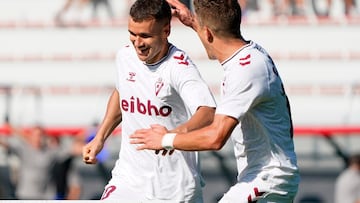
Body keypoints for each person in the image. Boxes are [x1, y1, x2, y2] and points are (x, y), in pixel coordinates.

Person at [130, 0, 300, 202]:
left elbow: (215, 137)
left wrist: (165, 140)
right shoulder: (252, 54)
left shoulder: (245, 70)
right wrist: (195, 22)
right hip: (265, 178)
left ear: (208, 33)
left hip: (268, 180)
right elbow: (217, 33)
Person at [81, 0, 216, 202]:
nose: (138, 43)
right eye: (132, 34)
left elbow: (207, 112)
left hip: (174, 188)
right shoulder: (125, 56)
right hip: (128, 178)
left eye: (145, 36)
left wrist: (170, 137)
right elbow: (122, 93)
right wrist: (100, 137)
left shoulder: (179, 67)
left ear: (166, 31)